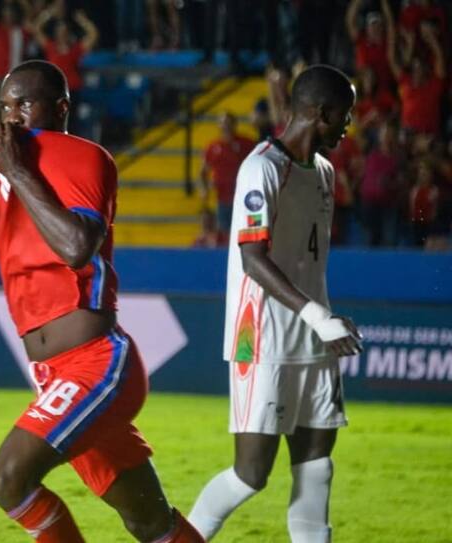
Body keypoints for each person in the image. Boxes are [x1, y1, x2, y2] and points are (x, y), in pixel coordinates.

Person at [0, 60, 203, 543]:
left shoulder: (85, 158)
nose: (12, 115)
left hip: (96, 365)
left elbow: (78, 245)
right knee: (149, 522)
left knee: (7, 479)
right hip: (53, 375)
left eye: (24, 103)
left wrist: (17, 170)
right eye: (5, 106)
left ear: (61, 109)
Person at [187, 65, 363, 542]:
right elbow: (252, 258)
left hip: (316, 340)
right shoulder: (261, 167)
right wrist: (317, 315)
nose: (350, 124)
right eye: (345, 114)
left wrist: (323, 322)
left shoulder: (324, 171)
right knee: (251, 474)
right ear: (320, 112)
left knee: (316, 468)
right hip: (261, 340)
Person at [200, 113, 256, 234]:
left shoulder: (246, 144)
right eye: (223, 123)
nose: (226, 126)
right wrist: (204, 188)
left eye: (228, 123)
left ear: (234, 125)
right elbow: (203, 171)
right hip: (223, 199)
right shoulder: (213, 147)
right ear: (219, 126)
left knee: (248, 230)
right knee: (225, 234)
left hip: (244, 198)